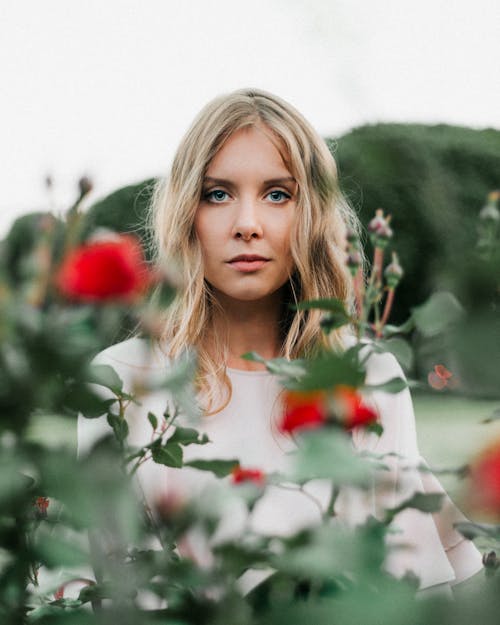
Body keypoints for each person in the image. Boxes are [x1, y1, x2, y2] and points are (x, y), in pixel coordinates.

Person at [78, 88, 483, 598]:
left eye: (277, 194)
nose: (247, 225)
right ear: (186, 213)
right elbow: (112, 590)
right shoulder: (121, 383)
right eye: (217, 193)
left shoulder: (368, 376)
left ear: (311, 214)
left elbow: (417, 590)